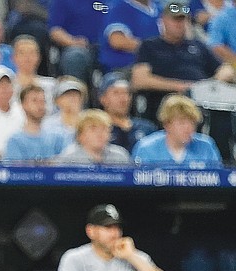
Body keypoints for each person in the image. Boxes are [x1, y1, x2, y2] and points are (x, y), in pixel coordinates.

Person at [131, 0, 235, 159]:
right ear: (163, 21)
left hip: (203, 100)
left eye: (183, 19)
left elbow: (225, 69)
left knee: (224, 111)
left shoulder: (198, 46)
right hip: (165, 100)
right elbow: (140, 79)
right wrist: (182, 86)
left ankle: (226, 160)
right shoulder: (150, 46)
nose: (179, 24)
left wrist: (209, 84)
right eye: (175, 19)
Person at [132, 93, 222, 166]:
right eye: (182, 123)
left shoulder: (206, 146)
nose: (189, 128)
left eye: (192, 122)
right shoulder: (147, 148)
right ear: (167, 124)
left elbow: (219, 180)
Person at [47, 0, 106, 84]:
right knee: (75, 56)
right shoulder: (63, 2)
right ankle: (74, 93)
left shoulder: (114, 2)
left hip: (108, 49)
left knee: (118, 58)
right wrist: (73, 42)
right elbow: (55, 31)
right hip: (79, 47)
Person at [4, 84, 66, 163]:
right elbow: (16, 171)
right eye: (34, 101)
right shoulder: (15, 141)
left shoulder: (57, 137)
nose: (39, 105)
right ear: (23, 105)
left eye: (42, 101)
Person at [97, 72, 157, 153]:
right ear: (103, 98)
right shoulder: (97, 129)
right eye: (116, 93)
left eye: (126, 93)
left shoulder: (146, 128)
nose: (123, 98)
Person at [97, 0, 160, 73]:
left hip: (157, 68)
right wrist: (154, 50)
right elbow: (117, 41)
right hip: (122, 69)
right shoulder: (120, 7)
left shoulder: (160, 9)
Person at [53, 109, 132, 164]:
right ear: (80, 135)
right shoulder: (68, 159)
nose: (100, 133)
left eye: (104, 129)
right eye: (93, 129)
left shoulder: (120, 156)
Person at [11, 35, 56, 116]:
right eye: (22, 53)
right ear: (14, 58)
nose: (27, 58)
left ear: (39, 57)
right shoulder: (8, 87)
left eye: (32, 53)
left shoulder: (51, 85)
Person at [42, 76, 86, 148]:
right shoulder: (47, 125)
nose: (73, 98)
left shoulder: (89, 121)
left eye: (77, 95)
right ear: (57, 100)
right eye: (68, 95)